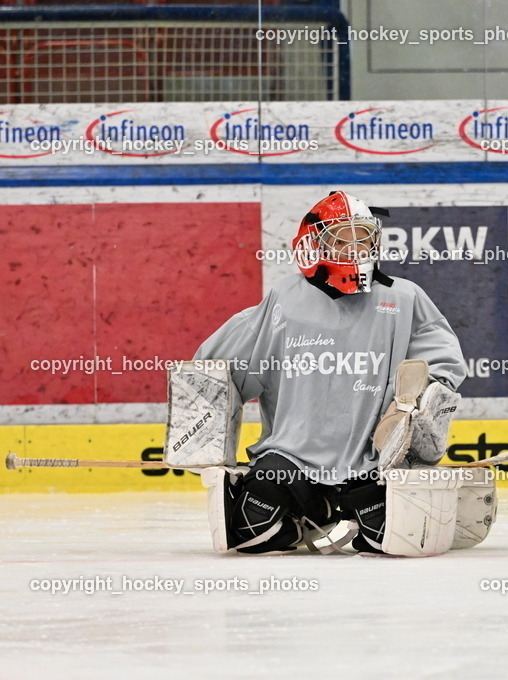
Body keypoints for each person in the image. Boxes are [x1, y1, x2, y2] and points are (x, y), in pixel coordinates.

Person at [182, 190, 474, 555]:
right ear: (312, 244)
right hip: (290, 459)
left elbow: (441, 371)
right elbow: (214, 372)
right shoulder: (285, 299)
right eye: (341, 238)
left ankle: (348, 510)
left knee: (397, 540)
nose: (355, 249)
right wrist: (200, 442)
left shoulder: (404, 298)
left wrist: (410, 409)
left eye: (363, 237)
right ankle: (311, 511)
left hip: (372, 462)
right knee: (249, 530)